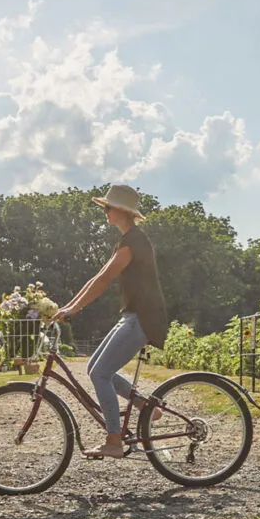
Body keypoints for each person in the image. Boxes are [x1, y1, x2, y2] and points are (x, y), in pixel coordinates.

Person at [53, 184, 169, 458]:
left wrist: (74, 308)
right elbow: (98, 276)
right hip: (133, 315)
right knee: (95, 367)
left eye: (108, 207)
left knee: (101, 374)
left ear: (122, 211)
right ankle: (147, 406)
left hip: (143, 318)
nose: (104, 211)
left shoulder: (134, 242)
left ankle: (114, 440)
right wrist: (69, 307)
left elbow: (105, 279)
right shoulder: (128, 240)